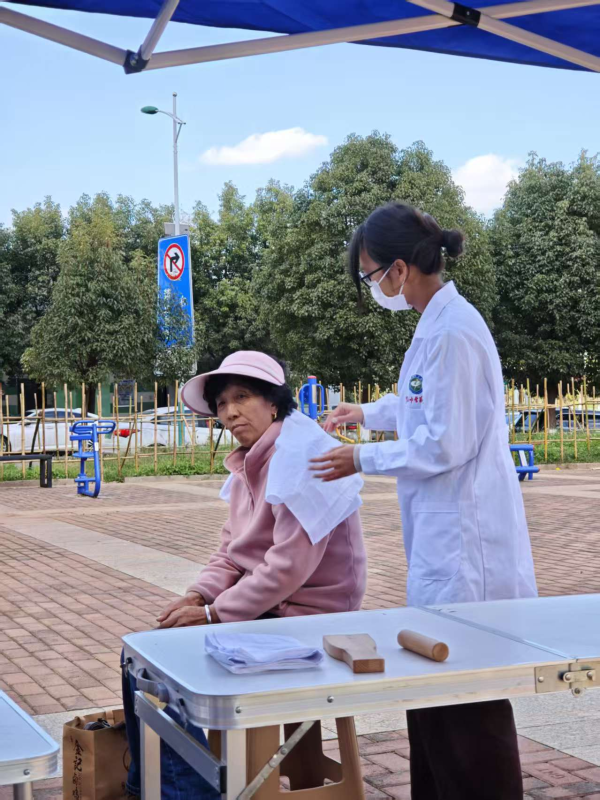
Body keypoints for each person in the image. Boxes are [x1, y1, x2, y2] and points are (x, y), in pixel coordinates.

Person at [311, 202, 538, 800]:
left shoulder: (455, 331)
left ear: (400, 269)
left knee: (468, 710)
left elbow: (444, 441)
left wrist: (361, 459)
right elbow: (419, 403)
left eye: (371, 275)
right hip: (443, 543)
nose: (373, 287)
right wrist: (367, 414)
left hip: (467, 551)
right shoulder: (435, 326)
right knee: (434, 703)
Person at [122, 350, 367, 799]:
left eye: (242, 397)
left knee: (172, 661)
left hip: (312, 614)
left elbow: (288, 568)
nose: (230, 412)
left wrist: (214, 615)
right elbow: (232, 552)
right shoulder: (249, 463)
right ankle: (156, 789)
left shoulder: (305, 457)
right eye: (221, 404)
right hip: (269, 608)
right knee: (141, 656)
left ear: (274, 402)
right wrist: (198, 595)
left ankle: (187, 794)